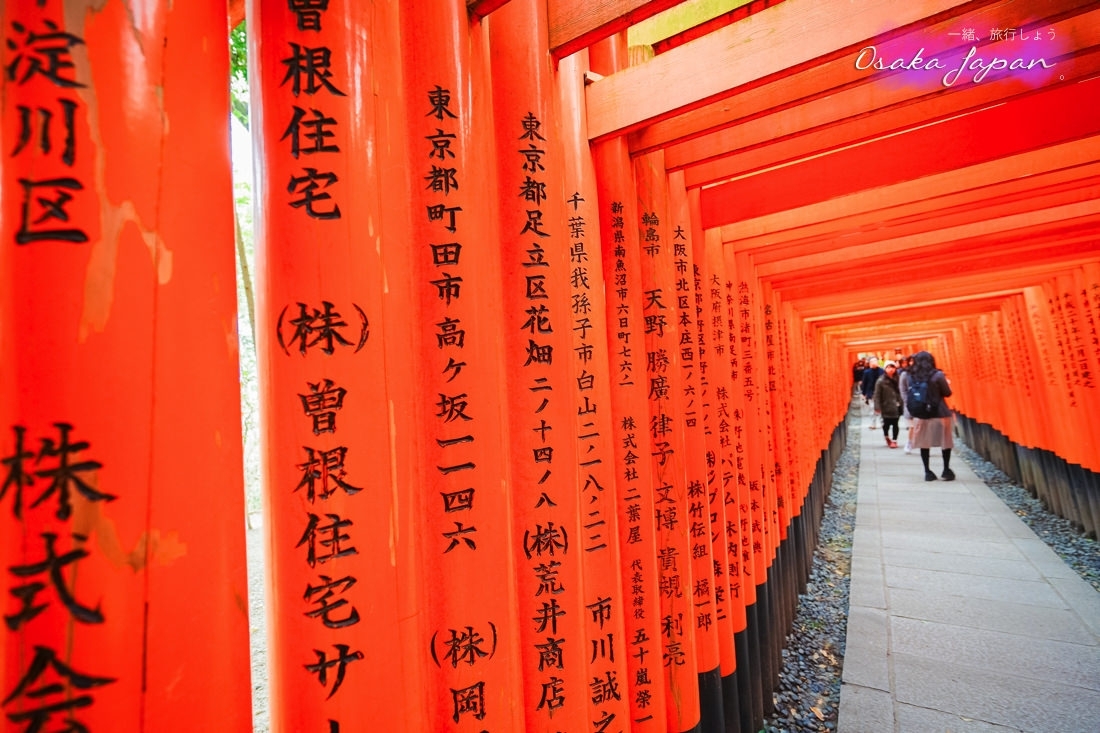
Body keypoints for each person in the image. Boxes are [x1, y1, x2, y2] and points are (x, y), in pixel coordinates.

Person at [908, 350, 955, 481]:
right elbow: (947, 393)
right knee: (945, 442)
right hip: (939, 413)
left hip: (921, 414)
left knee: (924, 443)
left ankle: (927, 471)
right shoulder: (938, 375)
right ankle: (946, 469)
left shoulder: (912, 376)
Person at [872, 360, 903, 447]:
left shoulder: (899, 379)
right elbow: (877, 395)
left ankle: (894, 440)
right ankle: (886, 436)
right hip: (886, 405)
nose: (891, 369)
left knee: (895, 423)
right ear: (885, 369)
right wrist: (877, 407)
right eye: (888, 367)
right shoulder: (881, 381)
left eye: (892, 367)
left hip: (897, 405)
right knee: (886, 424)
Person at [897, 355, 915, 453]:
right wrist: (906, 401)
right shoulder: (904, 374)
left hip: (922, 402)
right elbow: (902, 389)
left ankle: (921, 443)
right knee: (912, 425)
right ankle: (909, 442)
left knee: (921, 425)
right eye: (910, 361)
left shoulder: (921, 373)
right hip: (910, 402)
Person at [859, 357, 884, 429]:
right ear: (869, 364)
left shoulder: (882, 371)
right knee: (872, 408)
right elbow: (864, 383)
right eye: (872, 362)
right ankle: (873, 424)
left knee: (881, 408)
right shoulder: (867, 372)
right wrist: (863, 393)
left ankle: (882, 423)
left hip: (881, 392)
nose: (874, 363)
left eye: (875, 361)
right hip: (871, 393)